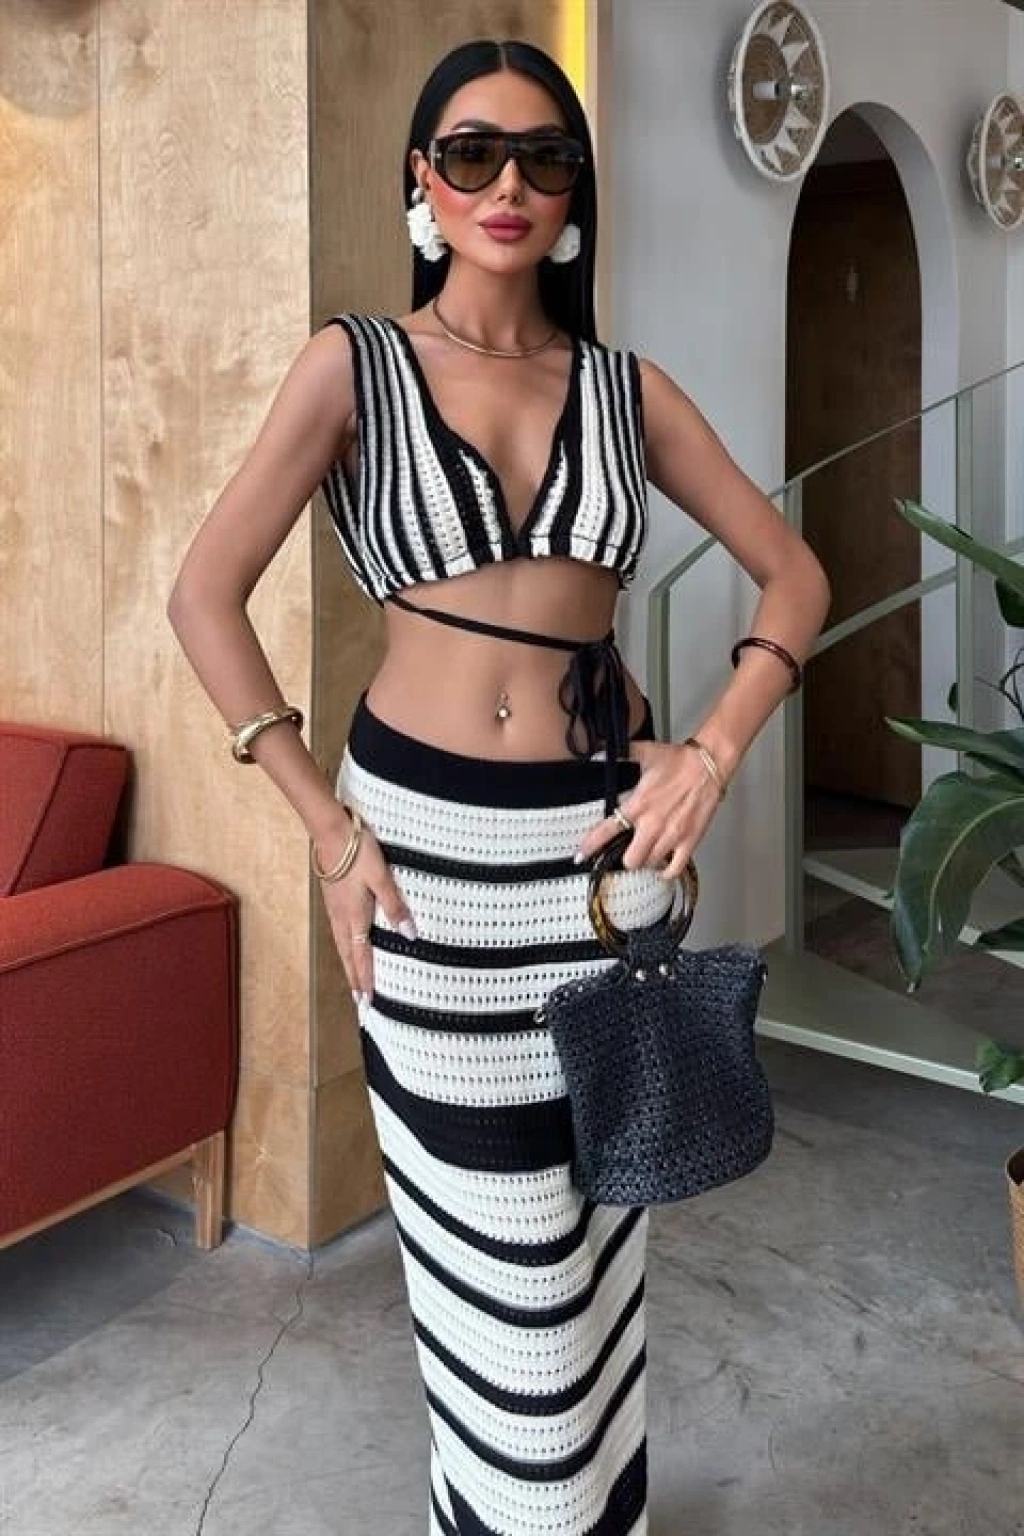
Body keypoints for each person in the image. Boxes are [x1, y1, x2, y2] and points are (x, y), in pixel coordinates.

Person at [167, 36, 829, 1536]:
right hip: (423, 864)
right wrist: (325, 828)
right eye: (473, 154)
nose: (508, 185)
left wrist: (710, 752)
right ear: (424, 179)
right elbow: (205, 595)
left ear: (575, 189)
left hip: (598, 865)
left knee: (595, 1243)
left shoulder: (626, 389)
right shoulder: (354, 366)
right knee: (501, 1274)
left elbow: (795, 575)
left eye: (543, 158)